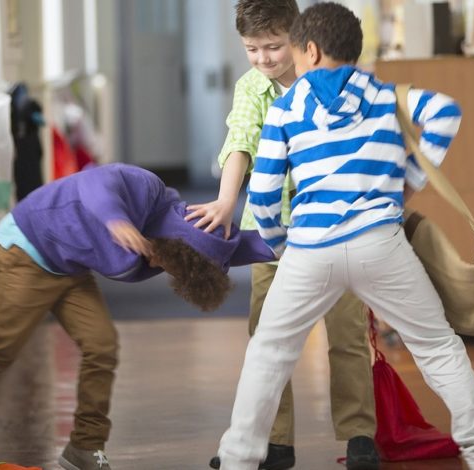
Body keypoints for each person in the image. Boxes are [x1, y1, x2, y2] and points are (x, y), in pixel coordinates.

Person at [216, 3, 474, 470]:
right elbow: (446, 112)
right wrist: (408, 181)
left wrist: (282, 244)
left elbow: (266, 191)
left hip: (309, 248)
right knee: (435, 346)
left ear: (307, 50)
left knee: (269, 352)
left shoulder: (287, 108)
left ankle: (238, 458)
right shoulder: (386, 94)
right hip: (381, 243)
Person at [0, 163, 275, 470]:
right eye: (162, 257)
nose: (154, 264)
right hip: (27, 247)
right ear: (174, 239)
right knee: (0, 348)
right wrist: (116, 219)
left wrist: (304, 240)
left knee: (102, 346)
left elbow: (243, 246)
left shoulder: (190, 249)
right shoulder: (147, 190)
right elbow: (95, 181)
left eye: (167, 268)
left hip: (67, 269)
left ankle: (84, 447)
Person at [185, 2, 378, 468]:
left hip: (338, 230)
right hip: (272, 238)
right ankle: (275, 441)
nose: (264, 58)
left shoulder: (337, 80)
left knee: (347, 334)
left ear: (299, 38)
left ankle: (359, 435)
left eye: (273, 46)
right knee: (267, 338)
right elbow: (240, 141)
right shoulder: (252, 87)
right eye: (252, 49)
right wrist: (228, 199)